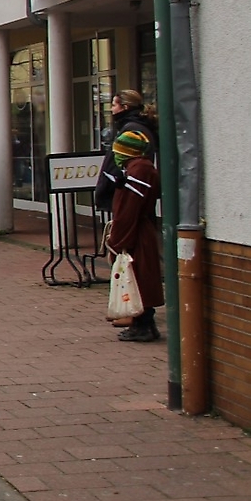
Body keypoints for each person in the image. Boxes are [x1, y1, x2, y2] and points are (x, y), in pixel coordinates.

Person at [106, 131, 163, 342]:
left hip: (136, 233)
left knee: (137, 278)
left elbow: (129, 209)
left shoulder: (139, 171)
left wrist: (117, 239)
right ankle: (142, 324)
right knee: (138, 278)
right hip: (139, 230)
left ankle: (144, 325)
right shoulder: (140, 169)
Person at [93, 91, 159, 215]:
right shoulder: (137, 126)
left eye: (114, 105)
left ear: (125, 107)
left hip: (129, 190)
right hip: (133, 189)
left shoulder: (132, 129)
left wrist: (111, 185)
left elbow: (120, 162)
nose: (111, 109)